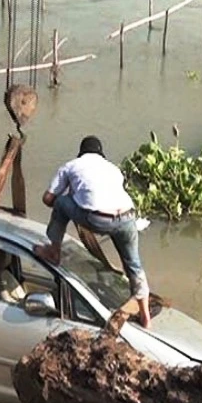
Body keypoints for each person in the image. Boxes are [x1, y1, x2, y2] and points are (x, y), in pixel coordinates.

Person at [34, 135, 152, 329]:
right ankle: (145, 314)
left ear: (81, 153)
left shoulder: (71, 166)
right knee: (133, 263)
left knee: (62, 202)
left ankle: (53, 251)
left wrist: (71, 195)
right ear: (100, 153)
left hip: (97, 219)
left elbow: (47, 199)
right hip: (127, 218)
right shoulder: (113, 169)